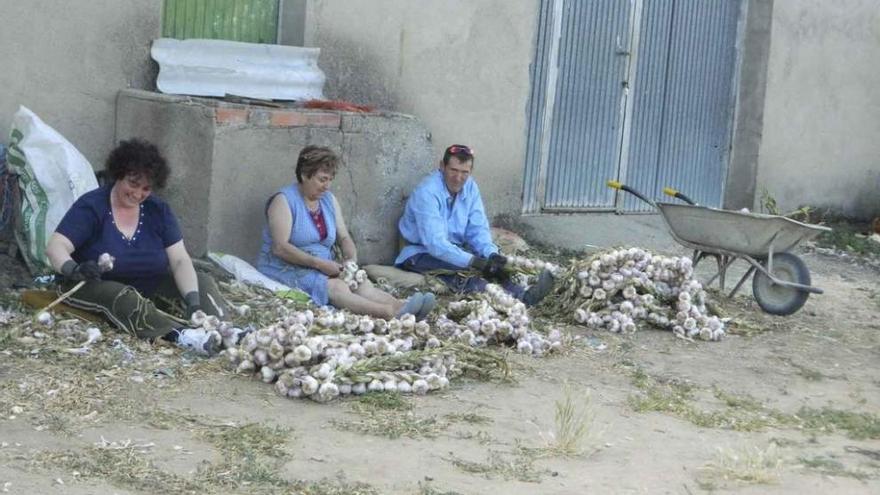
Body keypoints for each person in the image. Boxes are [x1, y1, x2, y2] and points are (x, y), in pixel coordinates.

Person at [46, 139, 233, 355]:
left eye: (146, 188)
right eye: (133, 184)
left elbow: (180, 259)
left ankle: (223, 331)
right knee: (123, 295)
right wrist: (74, 269)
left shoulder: (158, 210)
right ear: (118, 175)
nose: (138, 193)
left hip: (147, 284)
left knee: (202, 282)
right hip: (91, 284)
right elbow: (56, 246)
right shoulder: (92, 205)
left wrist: (193, 302)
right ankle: (181, 335)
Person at [256, 145, 434, 320]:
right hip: (286, 267)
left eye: (330, 179)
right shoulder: (284, 200)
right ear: (304, 175)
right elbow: (280, 248)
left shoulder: (327, 200)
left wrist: (351, 257)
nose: (327, 186)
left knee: (360, 283)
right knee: (337, 287)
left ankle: (402, 306)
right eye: (322, 179)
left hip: (320, 265)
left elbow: (344, 236)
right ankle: (388, 313)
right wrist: (318, 264)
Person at [395, 144, 554, 305]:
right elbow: (435, 244)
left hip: (455, 248)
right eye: (453, 170)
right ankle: (513, 300)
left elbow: (477, 230)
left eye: (464, 172)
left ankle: (524, 295)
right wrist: (474, 262)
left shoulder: (470, 187)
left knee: (496, 269)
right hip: (420, 252)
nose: (458, 178)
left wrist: (491, 254)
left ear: (470, 171)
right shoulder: (427, 193)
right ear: (442, 166)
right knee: (468, 273)